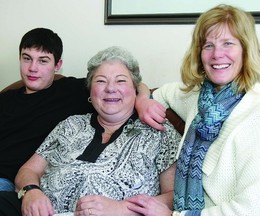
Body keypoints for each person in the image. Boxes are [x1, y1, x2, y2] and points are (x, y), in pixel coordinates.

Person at [129, 4, 260, 216]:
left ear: (246, 51)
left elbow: (258, 210)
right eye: (208, 46)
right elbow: (157, 92)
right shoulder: (199, 99)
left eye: (228, 44)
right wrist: (142, 99)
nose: (217, 54)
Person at [0, 46, 181, 216]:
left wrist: (122, 208)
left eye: (120, 80)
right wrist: (31, 191)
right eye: (101, 81)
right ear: (90, 90)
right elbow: (28, 170)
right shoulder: (70, 125)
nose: (110, 88)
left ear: (135, 89)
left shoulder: (159, 131)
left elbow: (175, 195)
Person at [0, 27, 94, 192]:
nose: (33, 68)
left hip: (14, 184)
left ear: (57, 65)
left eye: (43, 61)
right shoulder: (5, 99)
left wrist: (144, 100)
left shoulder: (72, 91)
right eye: (27, 58)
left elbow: (128, 85)